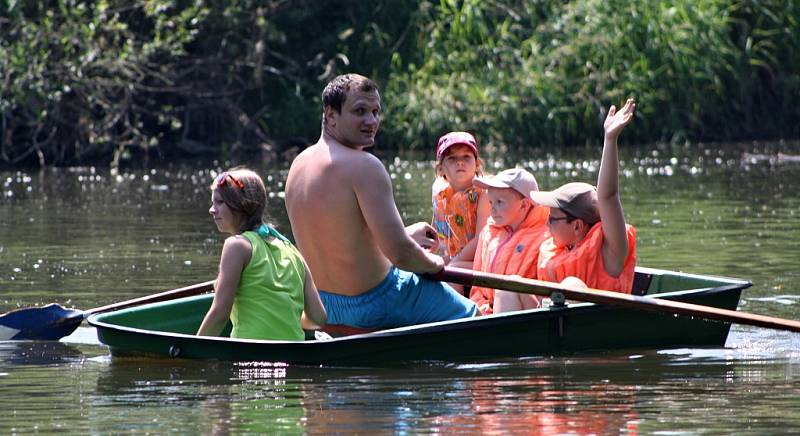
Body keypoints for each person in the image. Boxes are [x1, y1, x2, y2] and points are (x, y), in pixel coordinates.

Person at [285, 73, 477, 330]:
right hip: (379, 300)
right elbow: (401, 255)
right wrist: (436, 264)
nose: (371, 120)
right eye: (360, 111)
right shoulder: (365, 166)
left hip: (323, 305)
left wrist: (406, 235)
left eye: (375, 111)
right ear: (331, 116)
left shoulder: (299, 165)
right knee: (473, 318)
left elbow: (342, 237)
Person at [496, 98, 638, 311]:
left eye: (552, 219)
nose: (546, 225)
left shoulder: (611, 253)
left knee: (571, 286)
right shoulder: (558, 249)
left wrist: (610, 139)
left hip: (594, 329)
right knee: (510, 284)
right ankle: (502, 342)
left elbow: (608, 196)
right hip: (554, 328)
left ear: (577, 226)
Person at [197, 167, 327, 340]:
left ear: (242, 204)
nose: (212, 210)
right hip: (292, 354)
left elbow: (220, 313)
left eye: (219, 202)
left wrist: (190, 350)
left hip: (248, 355)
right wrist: (284, 318)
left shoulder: (236, 246)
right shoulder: (292, 250)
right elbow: (318, 318)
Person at [468, 168, 550, 315]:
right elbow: (477, 289)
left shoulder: (545, 237)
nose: (492, 209)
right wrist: (484, 310)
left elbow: (546, 295)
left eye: (500, 202)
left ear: (524, 205)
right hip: (491, 314)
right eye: (491, 202)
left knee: (507, 288)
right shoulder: (488, 233)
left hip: (530, 315)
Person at [431, 131, 490, 269]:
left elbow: (481, 239)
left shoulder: (485, 193)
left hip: (482, 261)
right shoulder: (441, 195)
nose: (460, 162)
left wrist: (453, 262)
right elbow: (436, 231)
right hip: (455, 261)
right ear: (440, 169)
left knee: (453, 270)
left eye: (466, 156)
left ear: (477, 164)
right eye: (452, 158)